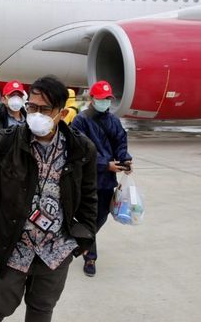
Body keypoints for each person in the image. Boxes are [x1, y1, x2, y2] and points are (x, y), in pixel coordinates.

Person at [0, 76, 98, 321]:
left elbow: (89, 199)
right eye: (32, 107)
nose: (36, 114)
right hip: (14, 246)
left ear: (61, 113)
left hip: (56, 250)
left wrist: (83, 238)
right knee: (0, 306)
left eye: (44, 109)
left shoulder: (81, 149)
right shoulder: (6, 142)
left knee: (42, 309)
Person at [70, 80, 132, 277]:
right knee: (89, 218)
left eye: (107, 98)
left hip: (107, 181)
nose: (105, 102)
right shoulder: (81, 121)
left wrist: (125, 159)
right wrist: (105, 164)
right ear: (91, 99)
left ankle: (78, 240)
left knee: (103, 215)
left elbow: (121, 142)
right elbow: (79, 151)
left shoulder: (113, 121)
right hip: (87, 180)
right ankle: (90, 258)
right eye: (101, 98)